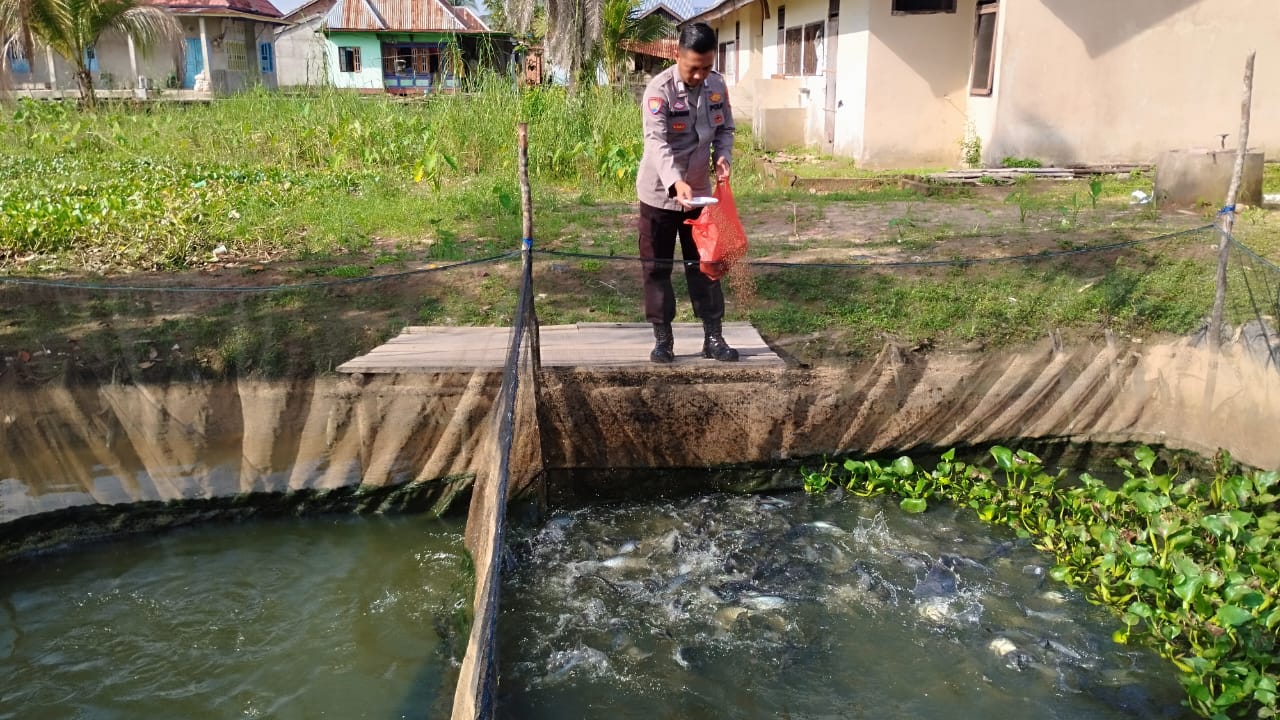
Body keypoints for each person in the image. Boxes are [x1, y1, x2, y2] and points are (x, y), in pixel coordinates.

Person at [636, 22, 737, 364]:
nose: (699, 75)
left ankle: (714, 337)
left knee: (706, 264)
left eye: (706, 67)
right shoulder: (659, 90)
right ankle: (663, 340)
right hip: (659, 195)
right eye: (693, 68)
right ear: (677, 55)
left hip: (700, 197)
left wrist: (723, 156)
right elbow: (656, 142)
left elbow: (725, 129)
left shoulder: (717, 85)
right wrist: (675, 181)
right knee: (657, 268)